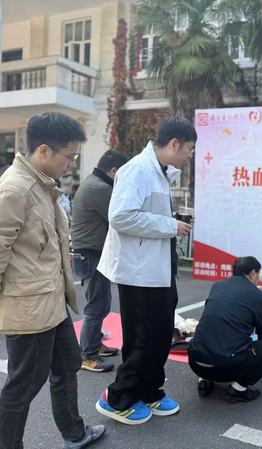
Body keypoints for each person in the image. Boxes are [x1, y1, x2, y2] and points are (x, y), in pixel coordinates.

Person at [0, 112, 105, 449]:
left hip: (52, 302)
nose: (71, 165)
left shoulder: (42, 186)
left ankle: (74, 433)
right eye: (69, 157)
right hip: (29, 310)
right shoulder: (15, 190)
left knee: (67, 364)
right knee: (23, 386)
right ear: (44, 151)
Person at [95, 117, 195, 425]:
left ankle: (149, 390)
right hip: (138, 271)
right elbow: (121, 216)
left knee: (161, 333)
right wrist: (169, 225)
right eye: (189, 148)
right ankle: (118, 398)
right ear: (174, 143)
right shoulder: (137, 169)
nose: (190, 155)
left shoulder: (160, 171)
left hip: (156, 267)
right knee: (144, 336)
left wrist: (170, 224)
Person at [188, 256, 262, 402]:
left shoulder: (217, 286)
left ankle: (204, 380)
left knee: (211, 332)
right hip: (227, 368)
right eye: (258, 275)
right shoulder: (258, 296)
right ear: (252, 273)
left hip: (195, 361)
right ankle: (239, 389)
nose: (258, 279)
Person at [71, 150, 128, 373]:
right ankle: (87, 355)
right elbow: (120, 216)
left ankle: (94, 344)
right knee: (96, 306)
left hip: (91, 253)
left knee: (101, 303)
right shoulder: (99, 188)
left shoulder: (95, 183)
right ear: (114, 171)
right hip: (90, 254)